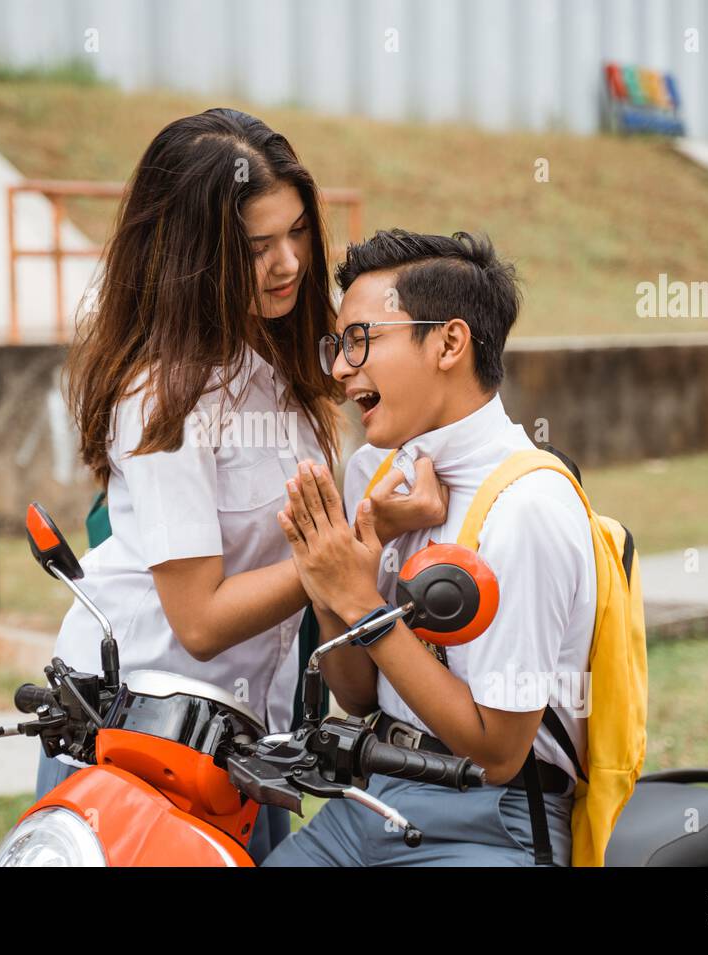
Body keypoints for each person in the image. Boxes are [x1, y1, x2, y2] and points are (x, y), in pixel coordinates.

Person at [38, 112, 446, 863]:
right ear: (194, 255)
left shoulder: (296, 363)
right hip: (141, 737)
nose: (289, 262)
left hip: (251, 742)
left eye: (296, 232)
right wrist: (355, 544)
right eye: (257, 247)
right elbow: (199, 619)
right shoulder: (161, 392)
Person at [266, 229, 595, 866]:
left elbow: (498, 753)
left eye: (361, 339)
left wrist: (361, 604)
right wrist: (329, 576)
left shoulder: (527, 507)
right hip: (376, 796)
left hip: (491, 820)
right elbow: (358, 696)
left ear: (449, 342)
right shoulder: (373, 473)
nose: (338, 368)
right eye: (338, 344)